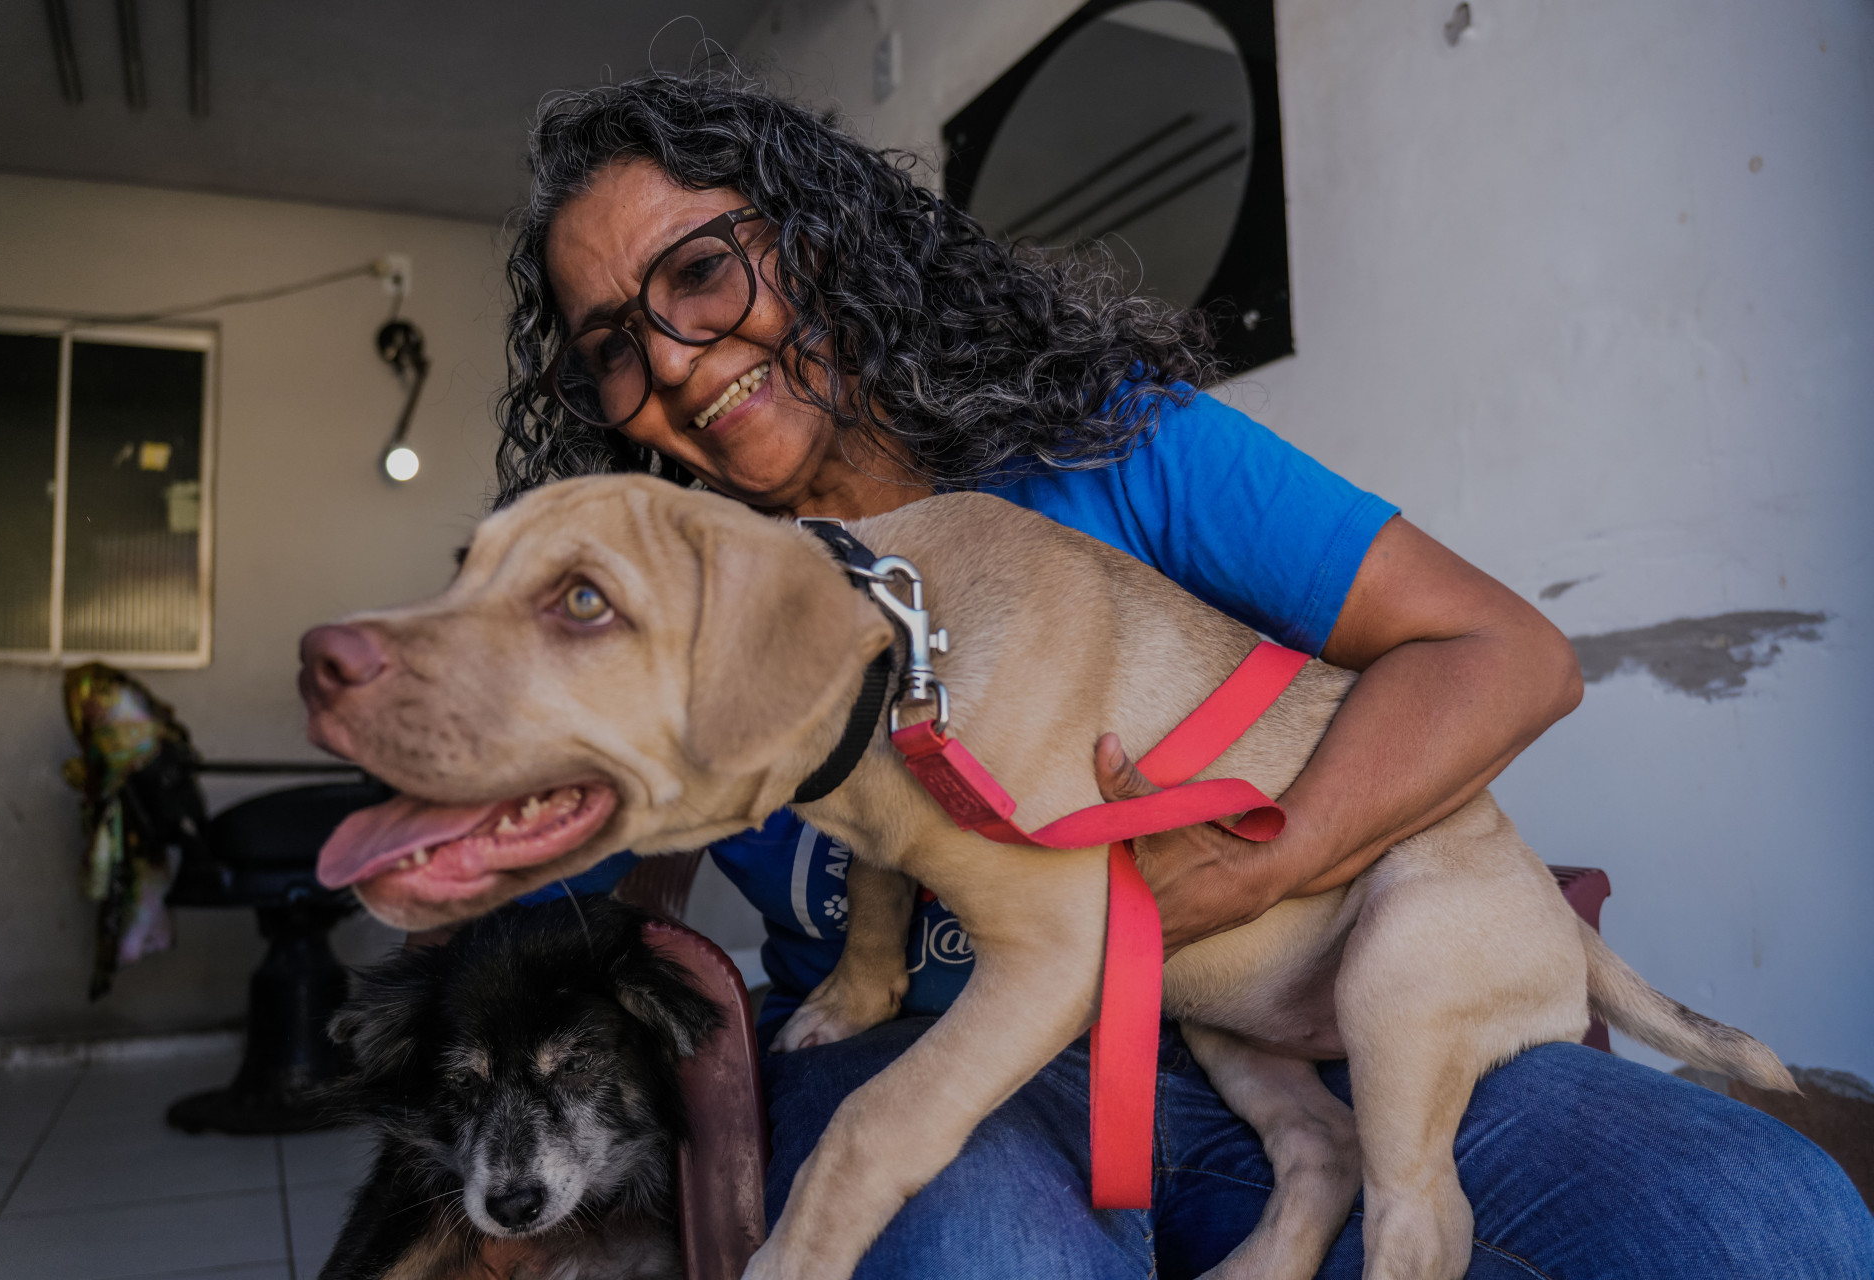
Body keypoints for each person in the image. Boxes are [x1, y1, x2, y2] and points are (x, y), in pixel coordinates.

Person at [489, 74, 1873, 1278]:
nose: (672, 357)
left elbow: (1506, 655)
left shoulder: (1114, 448)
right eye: (611, 344)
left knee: (1754, 1215)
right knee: (980, 1256)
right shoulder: (644, 616)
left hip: (1280, 993)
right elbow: (532, 897)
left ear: (820, 239)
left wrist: (1275, 860)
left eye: (702, 270)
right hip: (936, 1044)